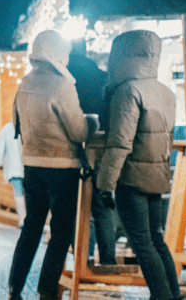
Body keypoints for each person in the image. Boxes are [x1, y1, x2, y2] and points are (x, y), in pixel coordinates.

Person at [6, 30, 95, 300]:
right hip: (61, 166)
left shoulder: (25, 83)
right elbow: (78, 131)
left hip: (31, 164)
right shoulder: (62, 85)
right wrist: (93, 123)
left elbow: (15, 123)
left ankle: (15, 287)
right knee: (60, 231)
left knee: (31, 227)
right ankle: (47, 290)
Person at [95, 30, 181, 300]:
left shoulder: (128, 91)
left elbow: (120, 143)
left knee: (142, 244)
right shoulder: (166, 93)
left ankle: (163, 297)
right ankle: (172, 294)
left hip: (131, 178)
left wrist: (105, 184)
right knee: (155, 239)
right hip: (157, 176)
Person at [68, 42, 116, 266]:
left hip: (73, 149)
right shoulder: (105, 79)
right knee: (102, 206)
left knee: (75, 208)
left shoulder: (66, 80)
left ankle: (81, 260)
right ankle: (108, 261)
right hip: (103, 147)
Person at [0, 120, 26, 227]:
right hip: (28, 167)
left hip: (14, 167)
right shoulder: (29, 125)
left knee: (18, 192)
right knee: (29, 193)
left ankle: (22, 219)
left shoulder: (7, 128)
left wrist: (0, 163)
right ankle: (29, 219)